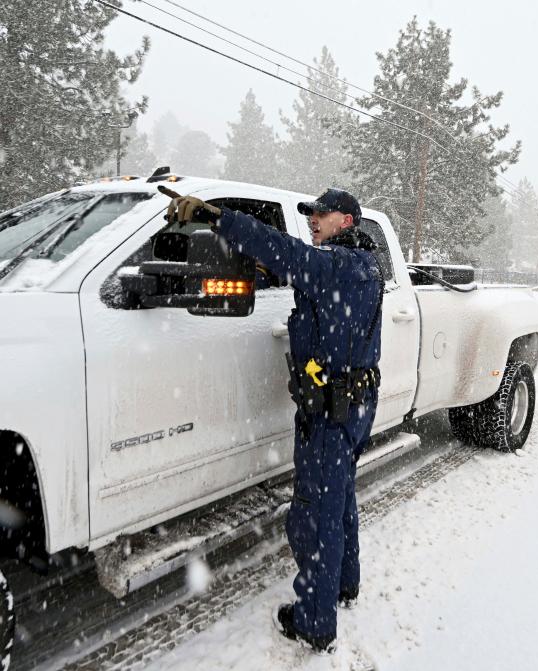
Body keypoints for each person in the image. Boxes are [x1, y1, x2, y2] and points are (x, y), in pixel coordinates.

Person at [162, 187, 384, 653]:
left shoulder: (340, 266)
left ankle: (313, 621)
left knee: (315, 513)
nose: (312, 220)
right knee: (339, 499)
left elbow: (290, 254)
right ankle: (344, 585)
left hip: (330, 412)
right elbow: (292, 269)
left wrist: (222, 219)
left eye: (321, 215)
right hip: (351, 405)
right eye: (310, 215)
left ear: (346, 221)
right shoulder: (354, 267)